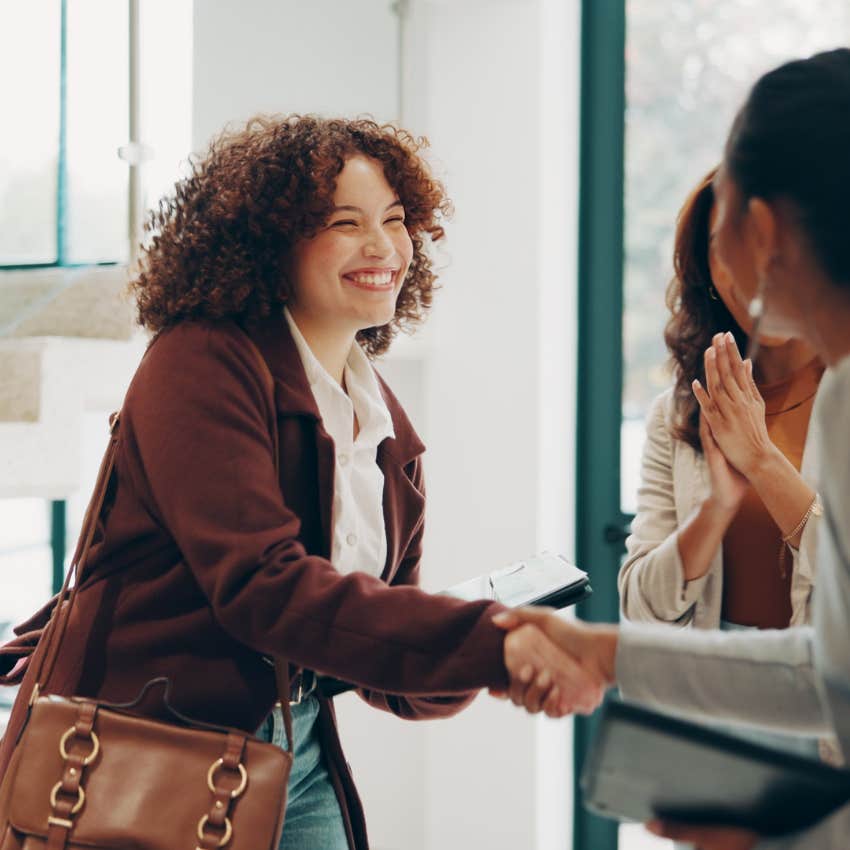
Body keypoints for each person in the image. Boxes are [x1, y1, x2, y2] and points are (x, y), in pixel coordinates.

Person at [0, 116, 602, 850]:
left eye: (395, 218)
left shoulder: (384, 427)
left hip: (294, 747)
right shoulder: (202, 363)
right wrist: (483, 642)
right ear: (270, 245)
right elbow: (263, 589)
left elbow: (376, 655)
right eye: (346, 223)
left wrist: (491, 645)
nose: (383, 246)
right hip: (146, 747)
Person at [496, 48, 850, 849]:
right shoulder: (692, 410)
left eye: (724, 217)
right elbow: (833, 673)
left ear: (762, 232)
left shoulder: (841, 405)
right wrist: (597, 648)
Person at [619, 168, 829, 759]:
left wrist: (761, 460)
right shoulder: (680, 412)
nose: (745, 270)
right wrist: (715, 509)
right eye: (721, 250)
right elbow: (641, 606)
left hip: (828, 704)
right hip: (716, 701)